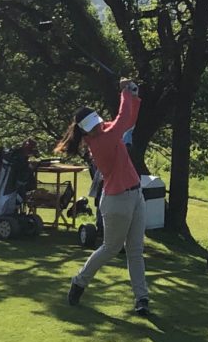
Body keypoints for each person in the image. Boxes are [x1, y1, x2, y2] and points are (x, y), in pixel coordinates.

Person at [55, 78, 149, 316]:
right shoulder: (100, 141)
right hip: (116, 200)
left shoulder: (104, 130)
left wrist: (134, 96)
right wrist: (125, 92)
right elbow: (121, 121)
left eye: (96, 122)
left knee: (136, 250)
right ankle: (79, 281)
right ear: (85, 130)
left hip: (135, 194)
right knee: (110, 248)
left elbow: (127, 120)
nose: (97, 126)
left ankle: (142, 299)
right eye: (92, 126)